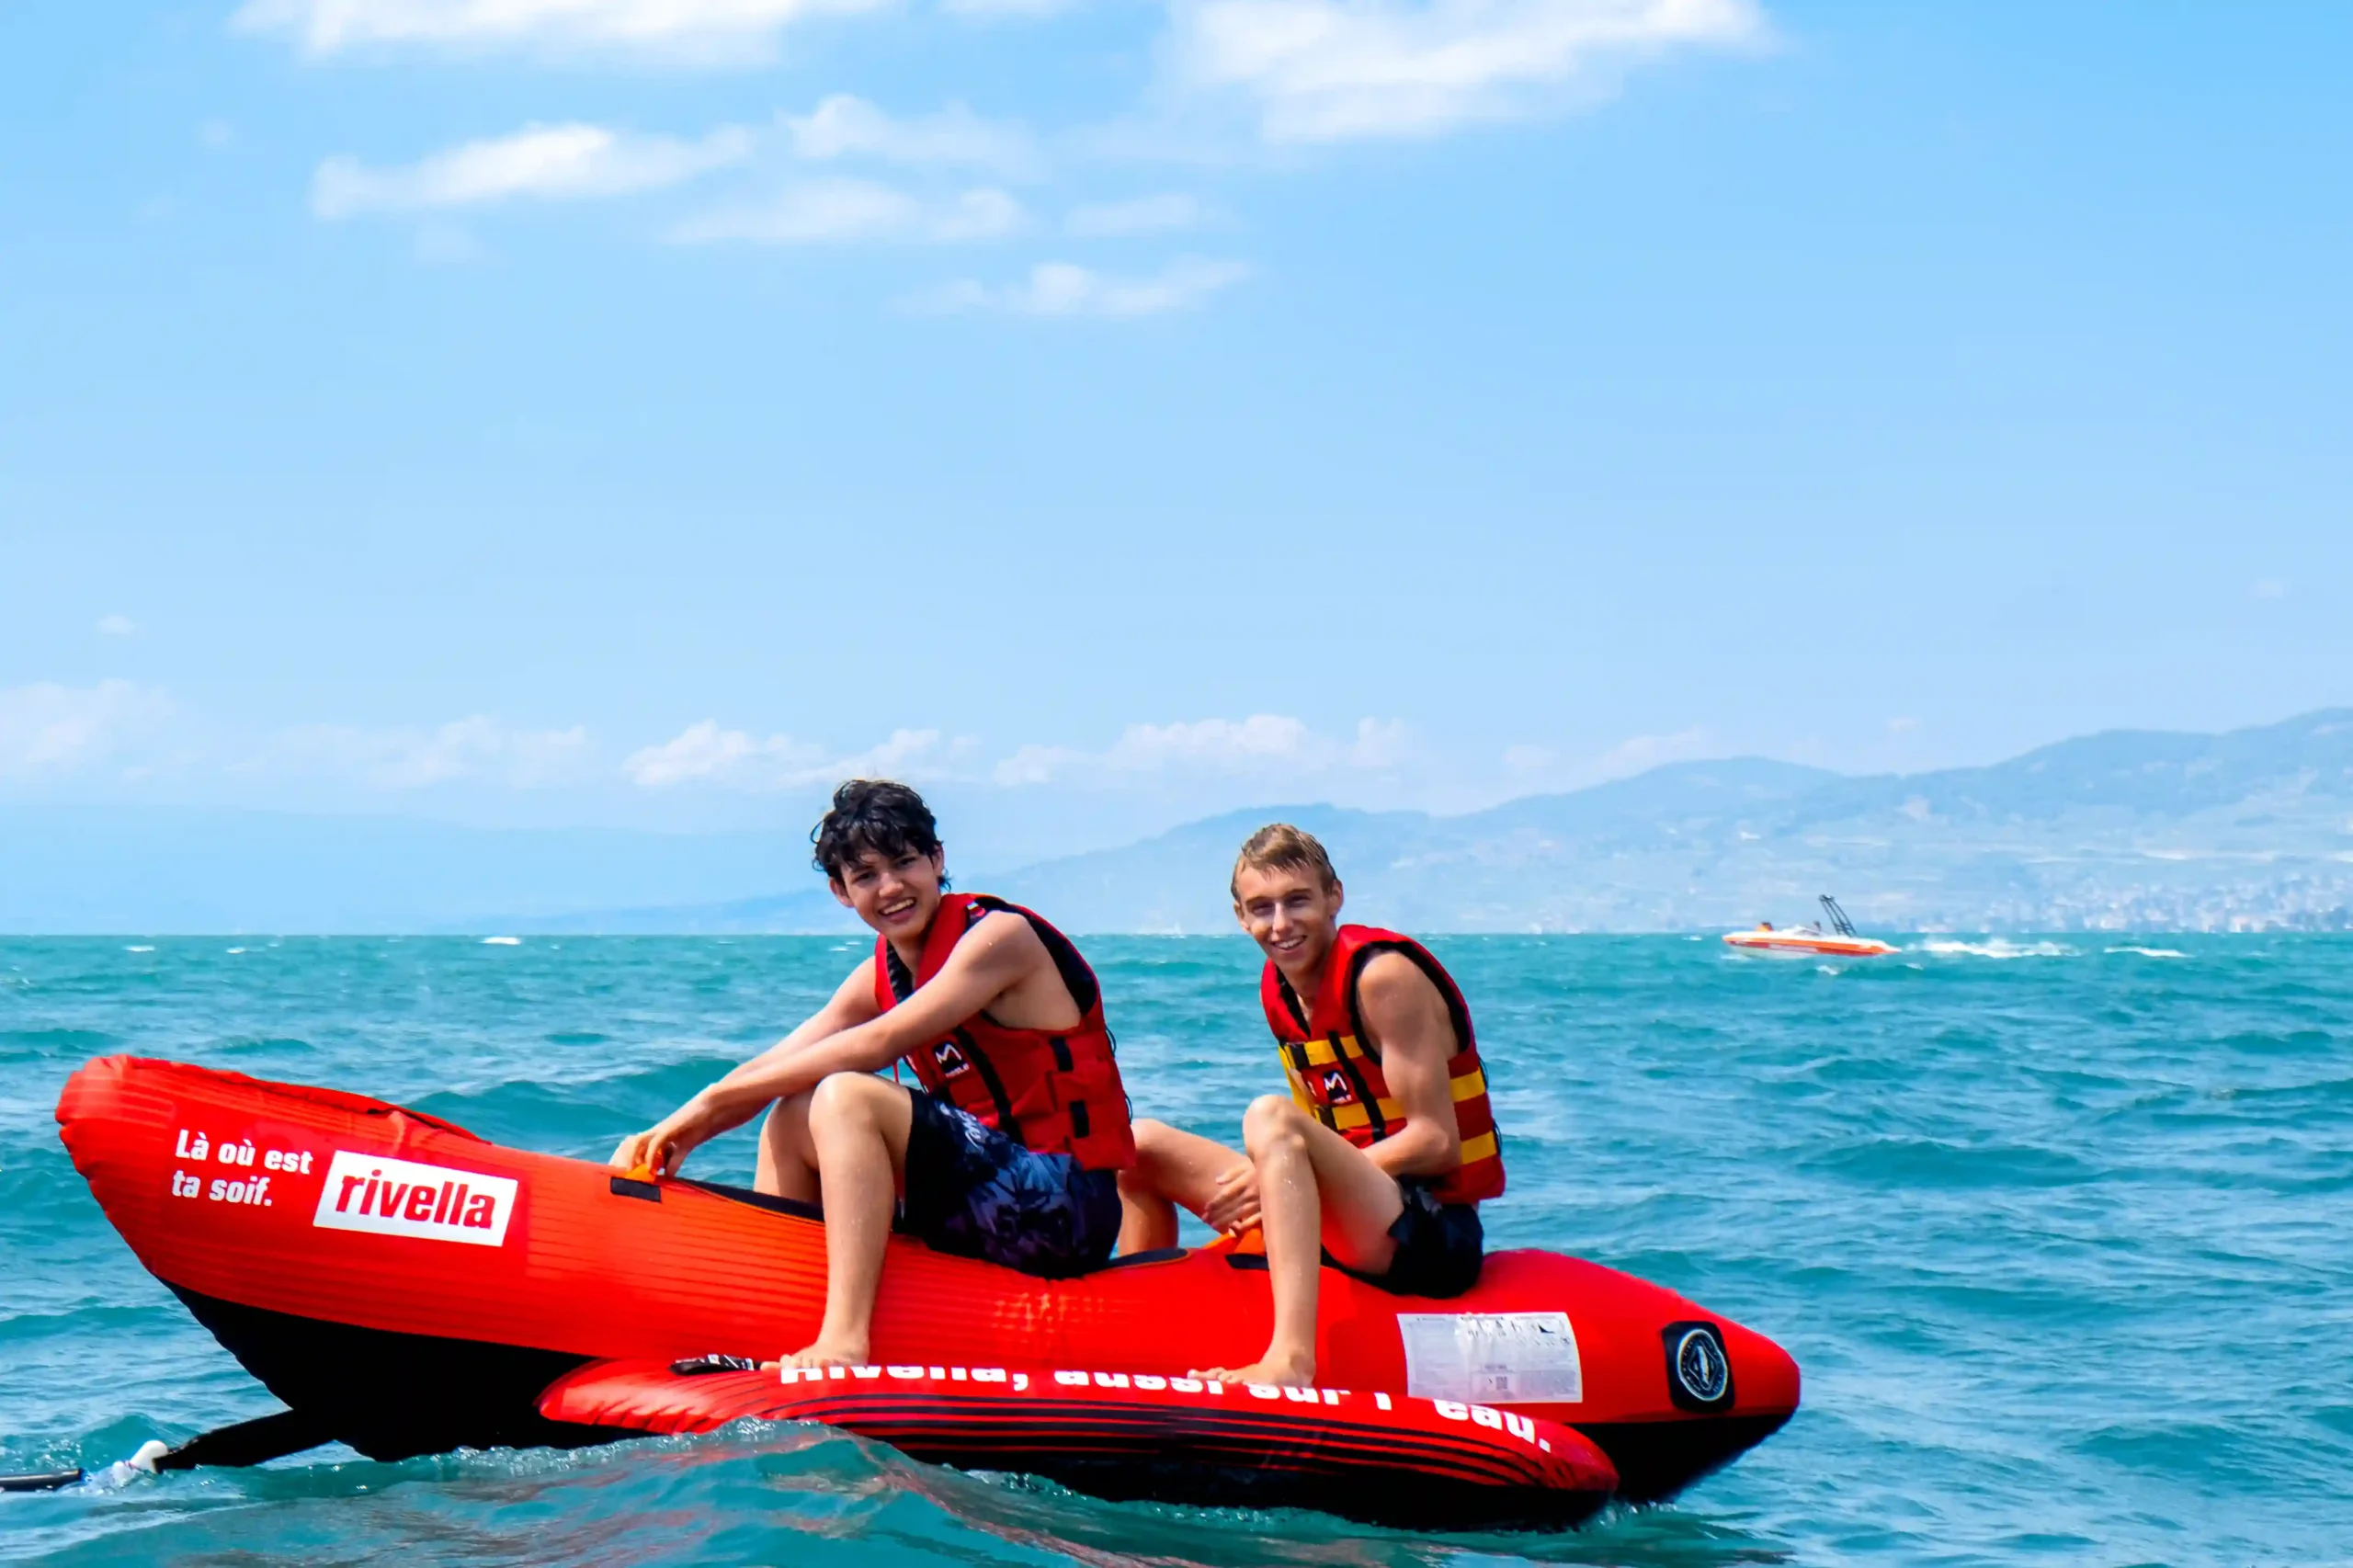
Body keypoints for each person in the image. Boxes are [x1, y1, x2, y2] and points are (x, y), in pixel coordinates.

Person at [610, 779, 1135, 1368]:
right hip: (981, 1200)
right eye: (865, 877)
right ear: (840, 891)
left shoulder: (998, 938)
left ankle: (846, 1339)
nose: (890, 888)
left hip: (1063, 1208)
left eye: (905, 863)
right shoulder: (878, 976)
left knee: (843, 1097)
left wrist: (711, 1105)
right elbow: (776, 1064)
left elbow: (880, 1040)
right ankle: (775, 1317)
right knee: (792, 1115)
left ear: (937, 860)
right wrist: (676, 1128)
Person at [1115, 824, 1504, 1387]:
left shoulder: (1382, 977)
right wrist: (1280, 1185)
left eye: (1298, 901)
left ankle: (1292, 1360)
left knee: (1268, 1116)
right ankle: (1132, 1340)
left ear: (1334, 897)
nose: (1281, 924)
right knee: (1139, 1144)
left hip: (1428, 1232)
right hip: (1348, 1211)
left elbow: (1437, 1141)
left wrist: (1289, 1184)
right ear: (1240, 917)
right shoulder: (1279, 991)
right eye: (1261, 908)